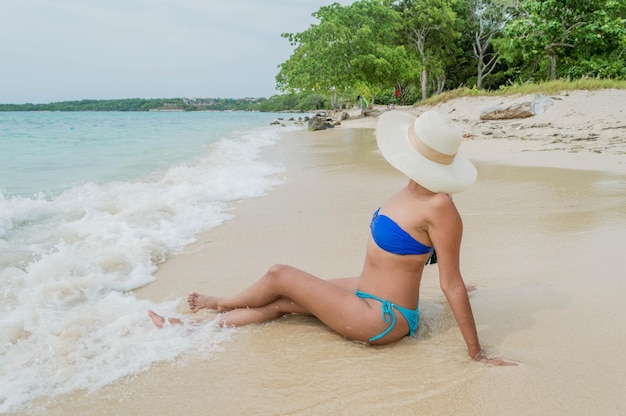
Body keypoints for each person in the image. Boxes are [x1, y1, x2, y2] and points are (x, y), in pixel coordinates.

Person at [148, 110, 514, 365]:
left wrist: (476, 352)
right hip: (365, 292)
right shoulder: (411, 188)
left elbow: (450, 281)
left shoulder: (440, 207)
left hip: (385, 318)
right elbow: (423, 255)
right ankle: (199, 327)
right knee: (281, 302)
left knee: (280, 275)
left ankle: (218, 306)